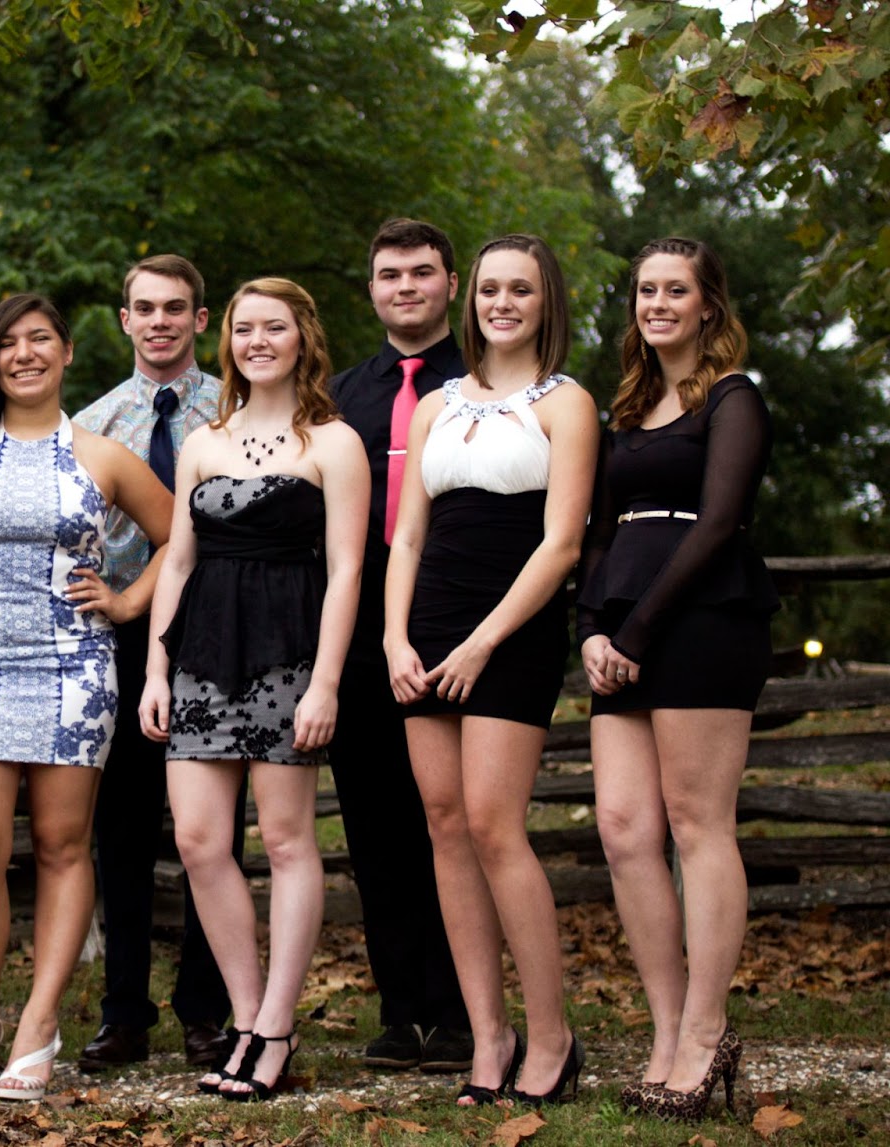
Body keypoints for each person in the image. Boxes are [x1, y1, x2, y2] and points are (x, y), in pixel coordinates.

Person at [0, 294, 174, 1100]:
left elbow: (176, 534)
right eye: (9, 343)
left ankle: (38, 1023)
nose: (25, 354)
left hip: (73, 669)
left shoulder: (103, 455)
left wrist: (126, 604)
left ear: (64, 354)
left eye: (41, 340)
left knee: (63, 844)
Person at [384, 234, 598, 1107]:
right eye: (488, 289)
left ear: (546, 301)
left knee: (494, 824)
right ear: (469, 300)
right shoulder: (435, 403)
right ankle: (489, 1036)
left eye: (520, 289)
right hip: (428, 621)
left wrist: (483, 643)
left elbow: (563, 544)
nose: (500, 302)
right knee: (443, 823)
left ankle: (551, 1038)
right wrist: (397, 639)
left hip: (513, 624)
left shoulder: (567, 403)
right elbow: (407, 536)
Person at [141, 277, 367, 1101]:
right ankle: (245, 1016)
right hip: (202, 650)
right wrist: (157, 668)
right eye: (244, 329)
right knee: (201, 840)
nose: (257, 341)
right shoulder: (205, 440)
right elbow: (179, 561)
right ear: (227, 340)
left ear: (302, 336)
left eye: (274, 327)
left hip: (289, 654)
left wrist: (326, 685)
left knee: (285, 841)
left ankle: (277, 1023)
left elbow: (346, 572)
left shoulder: (334, 442)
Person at [577, 238, 777, 1120]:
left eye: (675, 290)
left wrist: (639, 627)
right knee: (623, 829)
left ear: (708, 305)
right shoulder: (628, 404)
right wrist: (592, 627)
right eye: (646, 290)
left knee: (698, 824)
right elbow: (597, 531)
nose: (657, 302)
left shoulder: (733, 398)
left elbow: (719, 520)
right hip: (617, 628)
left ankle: (706, 1032)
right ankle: (664, 1030)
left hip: (700, 621)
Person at [71, 255, 235, 1074]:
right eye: (145, 308)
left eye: (177, 308)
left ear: (201, 320)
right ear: (124, 319)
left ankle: (208, 1008)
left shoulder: (237, 408)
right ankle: (124, 1012)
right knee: (123, 829)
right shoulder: (92, 425)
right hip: (126, 642)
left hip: (224, 633)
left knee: (213, 832)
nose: (161, 320)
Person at [328, 219, 473, 1074]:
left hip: (452, 623)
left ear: (450, 283)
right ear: (373, 289)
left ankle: (459, 1012)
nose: (406, 286)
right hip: (357, 638)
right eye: (390, 274)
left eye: (422, 272)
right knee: (377, 824)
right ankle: (399, 1012)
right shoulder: (343, 395)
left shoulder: (483, 385)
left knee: (456, 822)